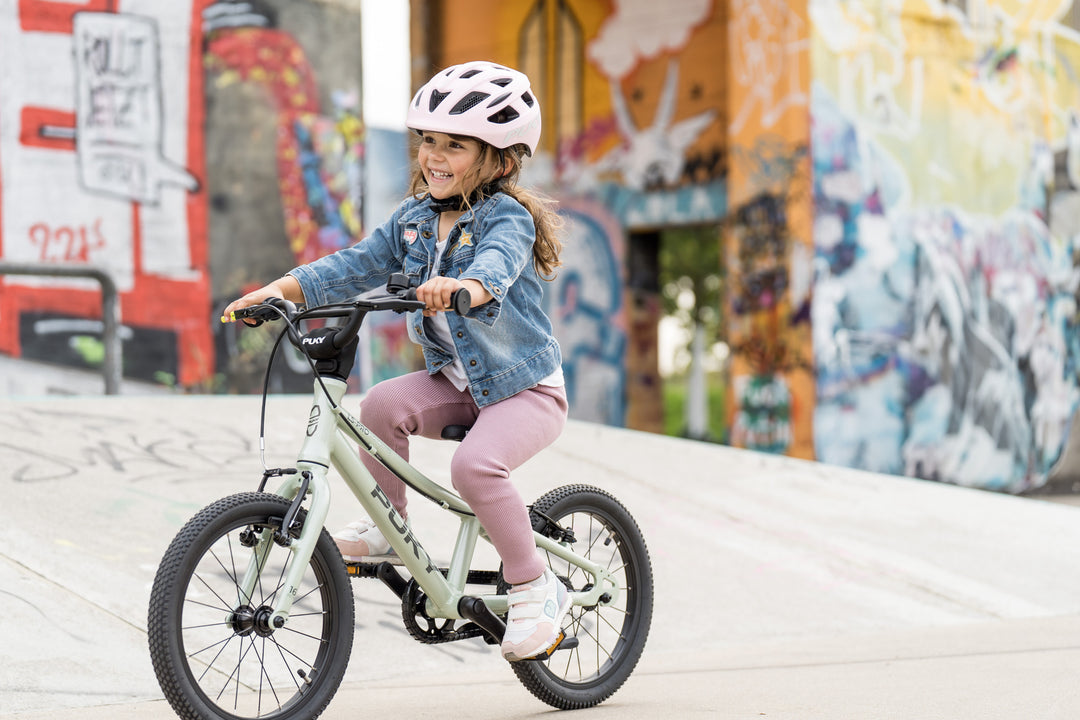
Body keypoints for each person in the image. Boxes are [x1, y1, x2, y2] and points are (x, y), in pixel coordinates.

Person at [222, 61, 570, 662]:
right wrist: (280, 290)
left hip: (525, 392)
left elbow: (499, 264)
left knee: (476, 467)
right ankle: (390, 532)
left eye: (454, 145)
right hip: (460, 385)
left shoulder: (506, 217)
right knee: (381, 405)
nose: (434, 156)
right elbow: (353, 264)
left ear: (502, 161)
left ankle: (535, 586)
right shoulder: (413, 220)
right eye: (428, 141)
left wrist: (466, 287)